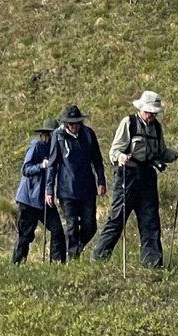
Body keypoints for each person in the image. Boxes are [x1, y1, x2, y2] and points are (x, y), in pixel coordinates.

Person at [91, 90, 178, 268]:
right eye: (148, 112)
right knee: (117, 219)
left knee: (150, 220)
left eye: (154, 112)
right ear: (141, 108)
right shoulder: (129, 123)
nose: (151, 115)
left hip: (147, 177)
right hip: (127, 176)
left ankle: (153, 264)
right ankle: (98, 259)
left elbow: (161, 152)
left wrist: (176, 153)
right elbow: (114, 151)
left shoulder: (156, 127)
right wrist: (121, 157)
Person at [46, 104, 108, 257]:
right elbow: (52, 164)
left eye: (77, 122)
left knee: (90, 226)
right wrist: (49, 190)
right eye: (71, 123)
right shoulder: (58, 136)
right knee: (72, 225)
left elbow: (97, 160)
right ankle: (73, 257)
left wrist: (101, 181)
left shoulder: (88, 134)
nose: (74, 126)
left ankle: (74, 248)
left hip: (87, 188)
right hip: (66, 190)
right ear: (66, 123)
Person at [13, 118, 67, 263]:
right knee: (25, 235)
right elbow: (26, 169)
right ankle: (18, 264)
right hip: (29, 199)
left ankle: (57, 264)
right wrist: (41, 166)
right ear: (47, 134)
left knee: (57, 231)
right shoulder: (37, 146)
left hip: (45, 200)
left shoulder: (56, 148)